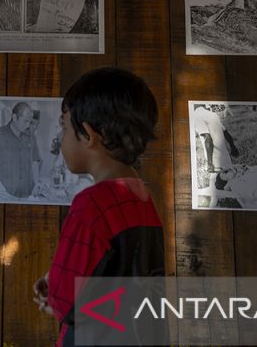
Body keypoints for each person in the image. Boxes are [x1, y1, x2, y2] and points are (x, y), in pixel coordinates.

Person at [32, 67, 164, 347]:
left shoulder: (91, 204)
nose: (61, 137)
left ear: (89, 135)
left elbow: (66, 300)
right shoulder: (142, 199)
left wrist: (53, 288)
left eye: (64, 126)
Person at [0, 102, 41, 198]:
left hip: (27, 191)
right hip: (5, 192)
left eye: (29, 122)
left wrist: (37, 183)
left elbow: (35, 161)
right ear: (14, 117)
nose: (28, 125)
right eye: (25, 121)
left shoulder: (31, 136)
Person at [193, 103, 239, 172]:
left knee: (217, 181)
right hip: (227, 160)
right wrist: (233, 148)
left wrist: (209, 164)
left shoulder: (197, 115)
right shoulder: (213, 114)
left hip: (215, 163)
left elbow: (208, 139)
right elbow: (226, 133)